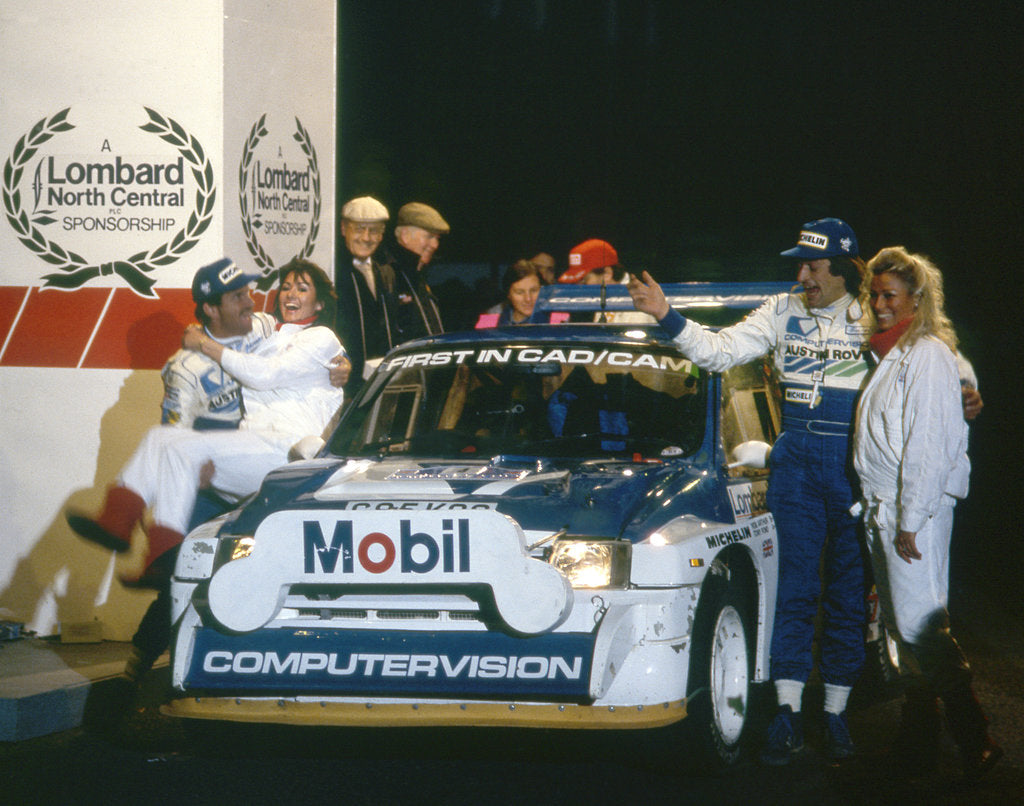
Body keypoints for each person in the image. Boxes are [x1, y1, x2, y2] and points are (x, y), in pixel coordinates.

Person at [629, 218, 980, 765]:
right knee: (792, 587)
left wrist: (969, 391)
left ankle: (836, 714)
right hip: (794, 464)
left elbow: (944, 357)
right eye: (800, 265)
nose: (803, 275)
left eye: (813, 266)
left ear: (843, 270)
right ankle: (787, 713)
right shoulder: (780, 309)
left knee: (848, 592)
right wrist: (666, 315)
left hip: (852, 469)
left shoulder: (874, 312)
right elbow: (720, 351)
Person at [67, 258, 345, 588]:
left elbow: (264, 375)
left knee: (180, 452)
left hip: (292, 455)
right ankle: (136, 538)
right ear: (212, 309)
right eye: (285, 287)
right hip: (249, 450)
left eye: (302, 288)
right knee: (163, 440)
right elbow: (223, 334)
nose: (290, 294)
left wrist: (204, 343)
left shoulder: (321, 337)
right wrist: (199, 338)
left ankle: (156, 556)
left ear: (320, 301)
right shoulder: (262, 331)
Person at [853, 246, 1001, 781]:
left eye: (889, 295)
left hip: (910, 512)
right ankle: (919, 745)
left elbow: (929, 445)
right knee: (901, 628)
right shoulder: (894, 353)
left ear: (917, 299)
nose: (879, 304)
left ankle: (974, 738)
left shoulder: (929, 355)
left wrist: (910, 519)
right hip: (888, 509)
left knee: (919, 625)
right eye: (874, 295)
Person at [336, 196, 399, 388]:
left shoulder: (387, 273)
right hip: (347, 384)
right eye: (359, 229)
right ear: (343, 229)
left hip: (383, 381)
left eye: (373, 231)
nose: (366, 238)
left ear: (381, 235)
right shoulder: (334, 273)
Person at [388, 201, 448, 341]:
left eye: (437, 238)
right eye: (429, 236)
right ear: (405, 235)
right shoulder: (389, 275)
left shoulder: (417, 275)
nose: (435, 245)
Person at [560, 239, 653, 324]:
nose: (578, 287)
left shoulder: (639, 299)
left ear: (607, 274)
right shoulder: (598, 295)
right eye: (575, 282)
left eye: (583, 280)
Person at [476, 259, 547, 326]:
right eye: (520, 292)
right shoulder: (489, 321)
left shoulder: (555, 321)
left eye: (534, 290)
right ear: (509, 294)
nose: (528, 299)